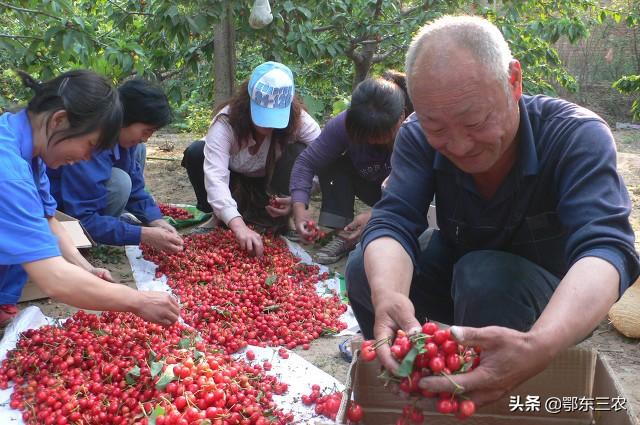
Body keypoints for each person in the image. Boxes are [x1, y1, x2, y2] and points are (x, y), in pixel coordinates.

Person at [345, 15, 639, 406]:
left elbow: (608, 248)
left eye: (475, 121)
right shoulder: (417, 136)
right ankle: (405, 380)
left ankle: (495, 397)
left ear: (513, 81)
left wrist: (540, 342)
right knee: (365, 268)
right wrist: (387, 293)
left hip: (549, 300)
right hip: (461, 273)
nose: (459, 145)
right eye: (437, 126)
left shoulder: (576, 136)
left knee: (485, 275)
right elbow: (394, 219)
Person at [0, 70, 180, 328]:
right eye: (90, 145)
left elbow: (48, 220)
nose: (87, 159)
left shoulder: (28, 146)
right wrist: (137, 301)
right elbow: (55, 280)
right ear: (59, 121)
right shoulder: (9, 173)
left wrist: (86, 268)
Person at [182, 61, 321, 257]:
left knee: (299, 151)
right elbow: (216, 178)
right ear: (247, 102)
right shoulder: (225, 123)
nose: (268, 125)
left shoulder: (301, 121)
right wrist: (238, 227)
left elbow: (323, 159)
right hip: (233, 178)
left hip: (268, 180)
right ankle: (218, 216)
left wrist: (298, 200)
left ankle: (280, 218)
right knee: (196, 152)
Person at [290, 71, 413, 264]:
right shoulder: (343, 125)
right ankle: (343, 234)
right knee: (333, 163)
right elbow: (307, 163)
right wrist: (298, 206)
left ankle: (382, 229)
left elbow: (418, 187)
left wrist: (376, 214)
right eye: (365, 136)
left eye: (379, 136)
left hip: (406, 193)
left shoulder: (417, 131)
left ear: (402, 118)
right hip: (369, 182)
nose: (371, 141)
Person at [47, 78, 183, 253]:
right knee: (120, 181)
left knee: (138, 150)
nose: (146, 138)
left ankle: (111, 224)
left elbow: (136, 185)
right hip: (63, 218)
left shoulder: (122, 140)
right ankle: (89, 241)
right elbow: (84, 218)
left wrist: (155, 219)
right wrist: (143, 234)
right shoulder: (88, 145)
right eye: (146, 131)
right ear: (124, 119)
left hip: (81, 205)